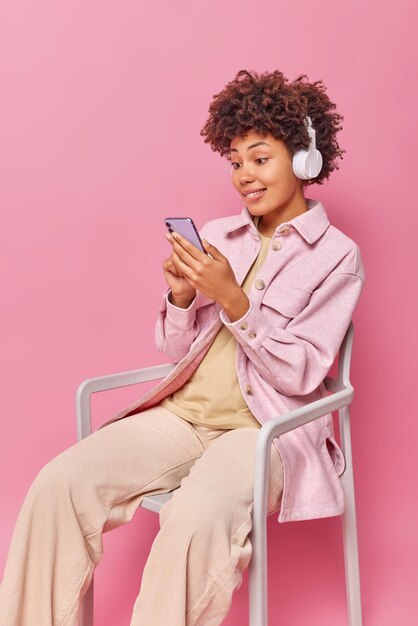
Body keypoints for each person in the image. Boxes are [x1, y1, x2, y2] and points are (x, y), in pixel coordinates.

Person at [0, 69, 365, 625]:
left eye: (260, 158)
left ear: (305, 160)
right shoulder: (219, 236)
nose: (245, 175)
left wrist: (235, 300)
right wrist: (179, 297)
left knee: (196, 518)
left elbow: (301, 372)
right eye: (236, 161)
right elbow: (177, 352)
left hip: (264, 433)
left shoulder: (337, 257)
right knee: (59, 484)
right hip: (183, 416)